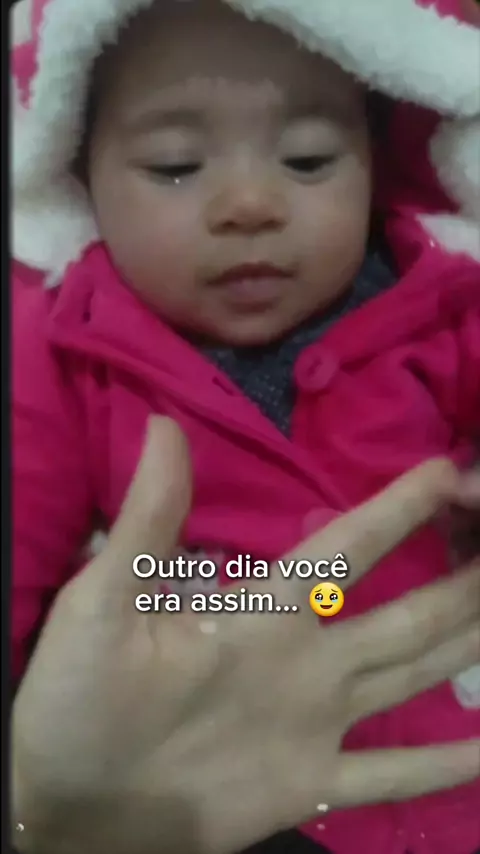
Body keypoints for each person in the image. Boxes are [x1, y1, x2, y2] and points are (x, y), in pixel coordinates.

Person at [10, 0, 480, 852]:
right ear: (79, 173)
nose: (251, 205)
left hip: (449, 748)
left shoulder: (438, 303)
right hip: (200, 778)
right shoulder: (71, 354)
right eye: (175, 166)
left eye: (308, 160)